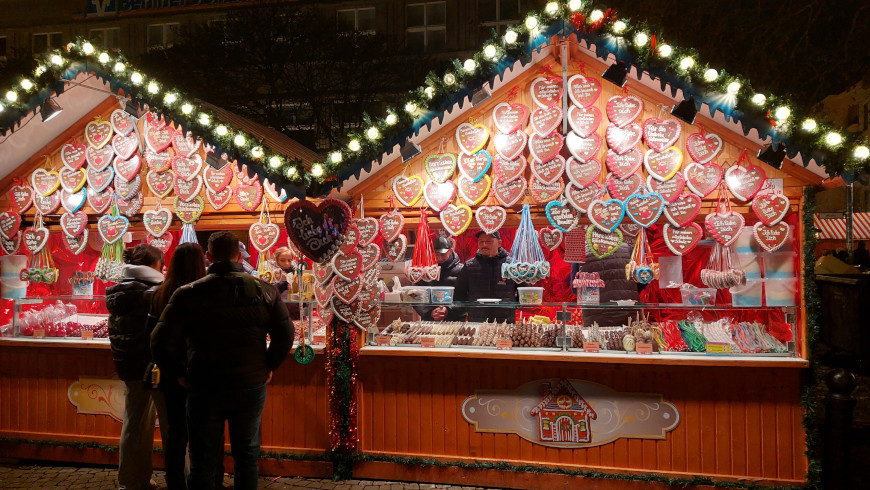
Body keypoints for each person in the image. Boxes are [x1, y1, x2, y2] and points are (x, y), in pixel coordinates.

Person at [151, 231, 294, 490]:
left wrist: (179, 372)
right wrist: (268, 365)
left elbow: (159, 341)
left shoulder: (187, 293)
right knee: (247, 454)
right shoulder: (265, 290)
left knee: (203, 458)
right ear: (239, 255)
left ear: (209, 256)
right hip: (249, 384)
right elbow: (285, 335)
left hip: (204, 384)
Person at [106, 243, 165, 490]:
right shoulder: (153, 292)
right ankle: (181, 479)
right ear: (154, 266)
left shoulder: (117, 291)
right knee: (173, 425)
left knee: (134, 421)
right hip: (154, 366)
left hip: (128, 365)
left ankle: (132, 480)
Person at [148, 243, 207, 490]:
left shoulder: (161, 293)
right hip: (200, 371)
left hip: (171, 372)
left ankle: (175, 483)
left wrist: (173, 369)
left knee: (175, 434)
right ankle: (201, 482)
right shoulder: (205, 292)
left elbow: (151, 336)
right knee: (202, 432)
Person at [453, 230, 517, 322]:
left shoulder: (512, 265)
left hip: (505, 322)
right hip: (477, 322)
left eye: (488, 241)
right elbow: (459, 295)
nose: (484, 245)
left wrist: (512, 307)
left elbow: (524, 293)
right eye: (481, 241)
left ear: (499, 243)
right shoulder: (469, 266)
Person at [578, 241, 640, 328]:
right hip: (628, 314)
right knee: (630, 339)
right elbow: (640, 281)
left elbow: (576, 288)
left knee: (596, 340)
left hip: (595, 316)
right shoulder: (627, 249)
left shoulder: (581, 251)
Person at [414, 236, 464, 321]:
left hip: (455, 320)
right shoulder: (424, 270)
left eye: (443, 254)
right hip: (429, 321)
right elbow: (415, 295)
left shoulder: (461, 270)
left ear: (451, 251)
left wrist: (448, 309)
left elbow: (466, 297)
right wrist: (429, 311)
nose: (439, 257)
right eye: (436, 254)